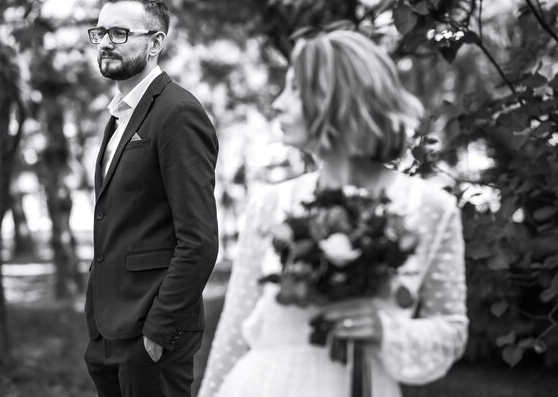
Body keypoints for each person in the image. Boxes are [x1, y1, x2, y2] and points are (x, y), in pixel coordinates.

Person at [198, 30, 467, 397]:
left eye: (295, 89)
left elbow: (451, 329)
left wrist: (387, 329)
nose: (278, 103)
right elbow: (234, 330)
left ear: (335, 96)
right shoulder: (271, 204)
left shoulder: (431, 208)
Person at [83, 0, 219, 397]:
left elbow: (199, 239)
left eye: (120, 33)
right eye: (101, 31)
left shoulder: (177, 112)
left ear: (156, 42)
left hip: (151, 331)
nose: (106, 41)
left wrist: (159, 329)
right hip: (107, 329)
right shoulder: (118, 115)